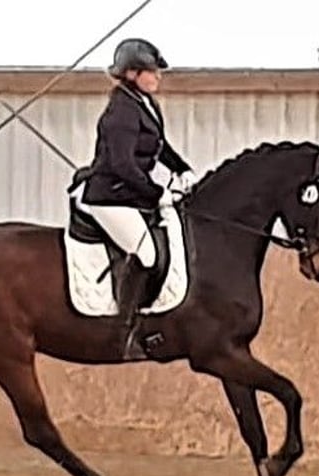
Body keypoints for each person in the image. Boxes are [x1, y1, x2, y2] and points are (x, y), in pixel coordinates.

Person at [75, 37, 197, 358]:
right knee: (146, 254)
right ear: (131, 74)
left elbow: (160, 146)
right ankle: (124, 333)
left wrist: (183, 170)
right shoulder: (121, 113)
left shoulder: (145, 103)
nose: (158, 76)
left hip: (129, 193)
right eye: (151, 71)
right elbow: (123, 165)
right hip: (109, 197)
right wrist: (158, 192)